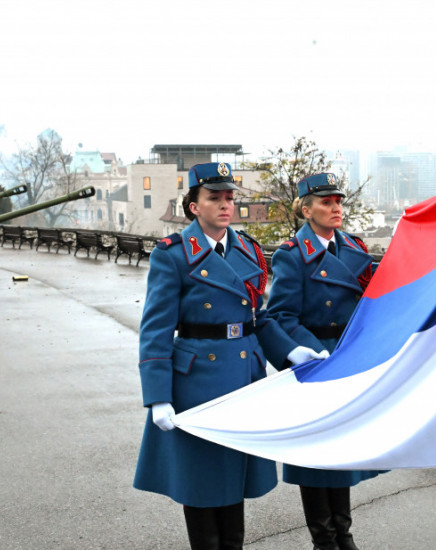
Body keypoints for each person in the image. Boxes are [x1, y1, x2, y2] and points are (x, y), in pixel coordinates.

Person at [133, 162, 326, 550]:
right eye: (214, 198)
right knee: (201, 483)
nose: (225, 205)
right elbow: (155, 330)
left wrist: (290, 350)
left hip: (242, 380)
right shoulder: (173, 255)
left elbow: (258, 317)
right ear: (194, 207)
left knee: (233, 481)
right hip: (195, 385)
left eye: (229, 197)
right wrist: (157, 397)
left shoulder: (248, 251)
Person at [266, 172, 384, 550]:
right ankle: (324, 539)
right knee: (316, 454)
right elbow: (281, 315)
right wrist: (308, 350)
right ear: (306, 209)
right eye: (326, 202)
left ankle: (343, 534)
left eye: (338, 202)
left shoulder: (353, 248)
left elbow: (376, 296)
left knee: (340, 448)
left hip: (349, 358)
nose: (336, 208)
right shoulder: (291, 255)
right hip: (316, 361)